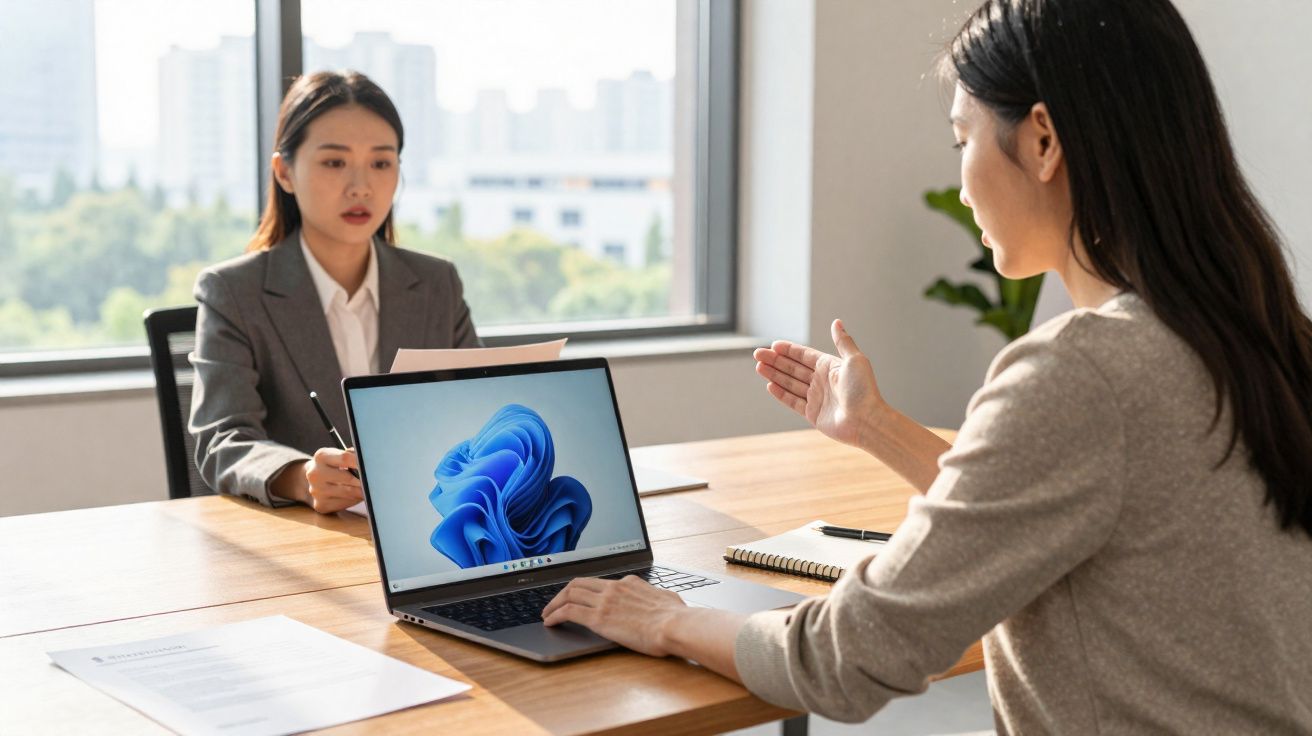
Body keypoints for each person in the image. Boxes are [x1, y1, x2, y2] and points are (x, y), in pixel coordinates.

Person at [541, 0, 1312, 731]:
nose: (959, 179)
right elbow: (1069, 508)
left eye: (963, 140)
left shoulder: (1084, 370)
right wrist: (877, 429)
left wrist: (669, 619)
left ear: (1043, 141)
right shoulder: (1260, 336)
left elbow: (842, 659)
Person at [190, 71, 479, 514]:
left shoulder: (436, 284)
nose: (360, 186)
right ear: (284, 172)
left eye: (381, 163)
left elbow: (478, 406)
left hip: (429, 524)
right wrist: (301, 477)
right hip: (313, 542)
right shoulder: (233, 293)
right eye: (334, 162)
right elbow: (222, 440)